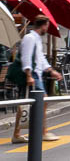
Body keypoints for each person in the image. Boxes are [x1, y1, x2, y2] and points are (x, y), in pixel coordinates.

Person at [11, 16, 63, 144]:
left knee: (30, 104)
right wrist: (29, 74)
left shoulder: (36, 39)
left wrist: (51, 71)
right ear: (44, 25)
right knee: (36, 102)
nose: (48, 29)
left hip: (36, 74)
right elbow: (26, 58)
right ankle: (41, 132)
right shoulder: (30, 38)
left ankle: (21, 133)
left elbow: (40, 59)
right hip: (32, 75)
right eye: (47, 26)